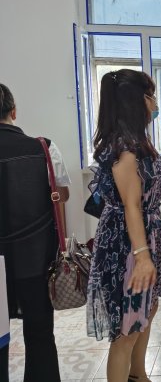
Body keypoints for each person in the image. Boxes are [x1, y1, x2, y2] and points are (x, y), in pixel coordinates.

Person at [86, 69, 161, 382]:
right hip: (127, 247)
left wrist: (156, 227)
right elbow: (131, 206)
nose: (155, 103)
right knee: (127, 328)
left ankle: (138, 375)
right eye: (150, 96)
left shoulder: (138, 141)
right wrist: (142, 255)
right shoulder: (125, 148)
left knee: (146, 312)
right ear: (136, 101)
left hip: (143, 237)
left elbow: (144, 199)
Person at [0, 83, 70, 382]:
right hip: (35, 256)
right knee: (39, 331)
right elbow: (61, 194)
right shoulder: (43, 147)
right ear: (14, 111)